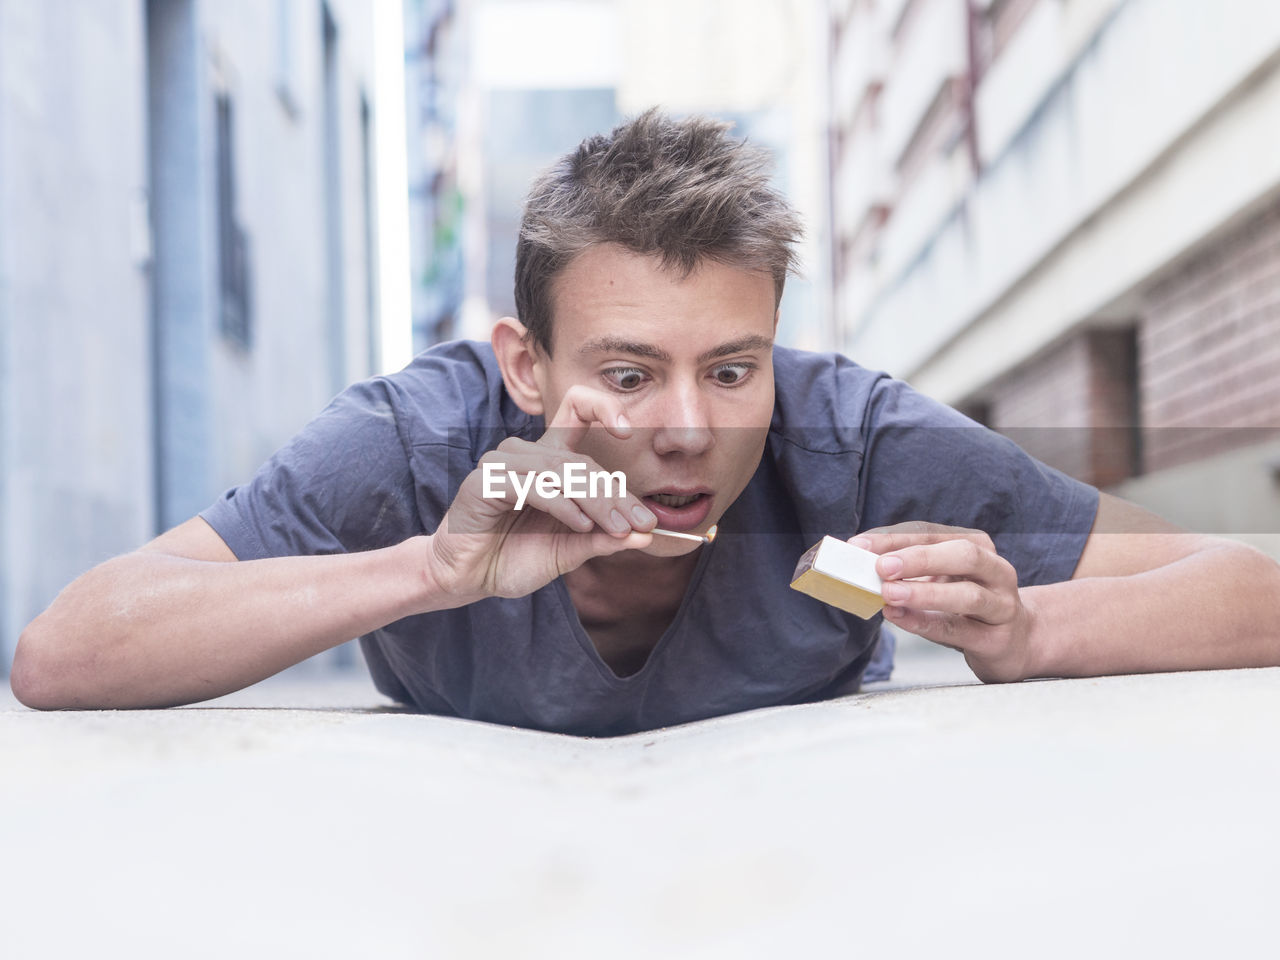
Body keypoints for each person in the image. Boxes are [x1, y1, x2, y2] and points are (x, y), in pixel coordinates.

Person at [12, 110, 1280, 734]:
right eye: (626, 375)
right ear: (523, 364)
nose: (688, 427)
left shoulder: (850, 440)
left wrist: (1027, 630)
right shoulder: (411, 446)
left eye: (731, 369)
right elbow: (66, 655)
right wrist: (424, 571)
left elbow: (1249, 592)